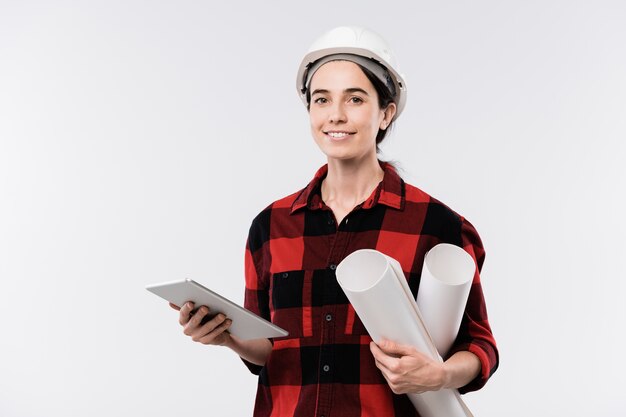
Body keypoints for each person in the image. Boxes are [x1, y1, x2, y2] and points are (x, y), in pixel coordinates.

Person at [171, 26, 499, 417]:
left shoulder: (437, 224)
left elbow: (481, 348)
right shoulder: (270, 226)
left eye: (355, 99)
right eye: (322, 99)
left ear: (386, 113)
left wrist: (439, 375)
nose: (336, 115)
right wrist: (227, 337)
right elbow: (269, 352)